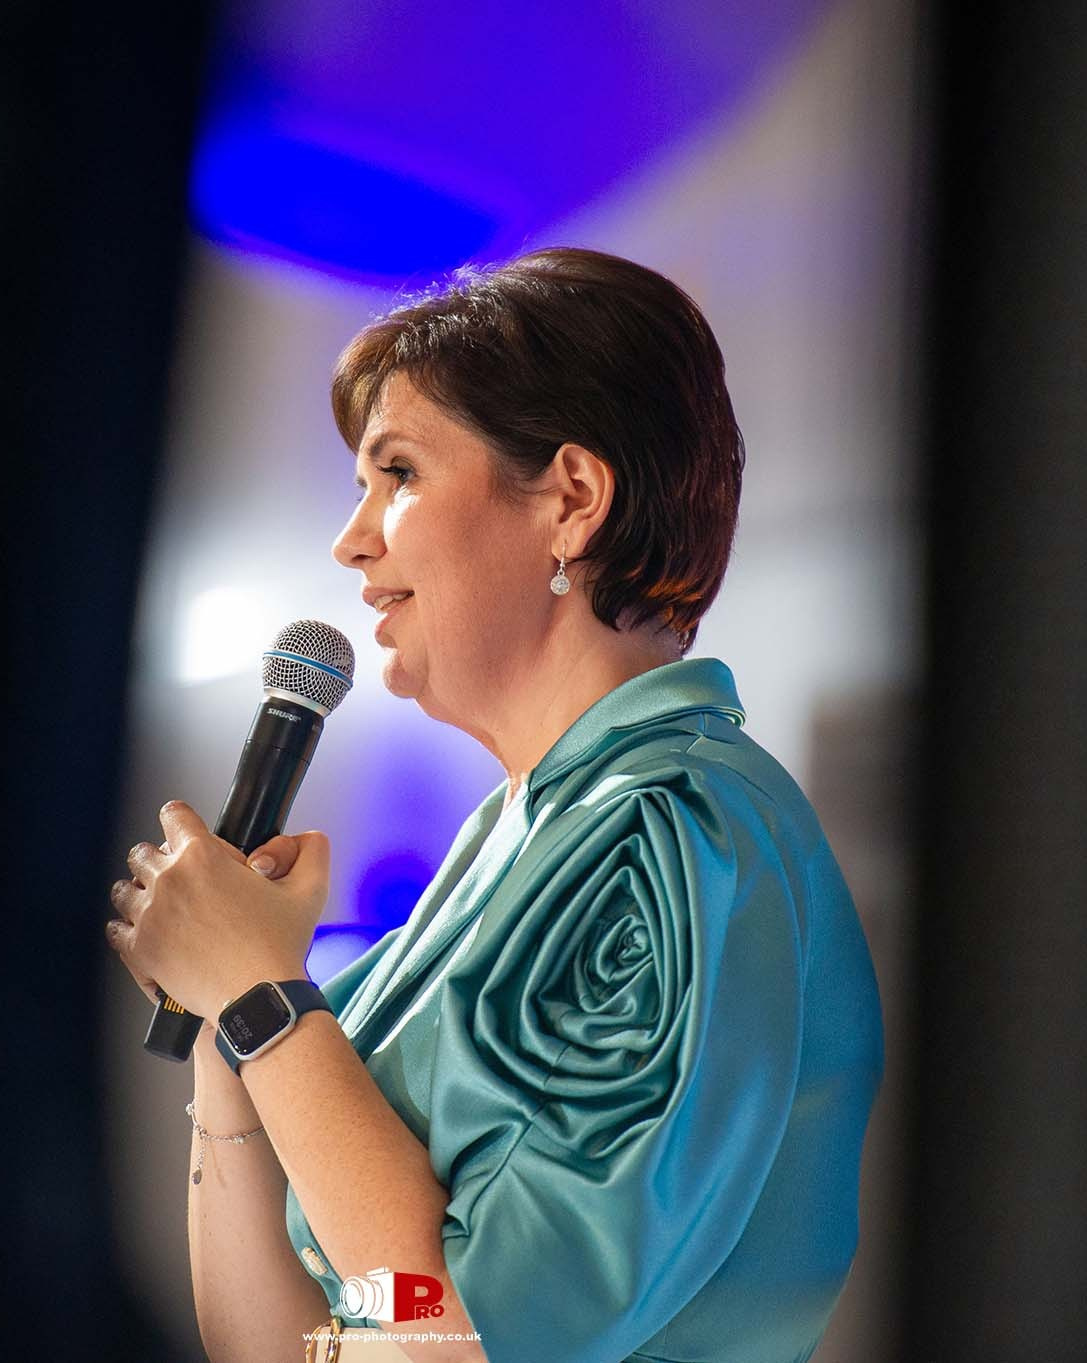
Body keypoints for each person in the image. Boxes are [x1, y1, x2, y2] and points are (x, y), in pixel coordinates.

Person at [105, 247, 883, 1363]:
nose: (351, 539)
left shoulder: (673, 837)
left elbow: (469, 1331)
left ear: (570, 498)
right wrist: (232, 1034)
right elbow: (283, 1351)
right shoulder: (518, 834)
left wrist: (266, 997)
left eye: (399, 474)